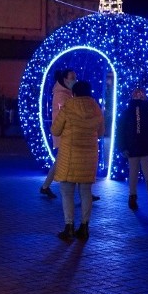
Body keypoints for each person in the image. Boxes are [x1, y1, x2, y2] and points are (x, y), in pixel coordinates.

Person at [51, 80, 104, 241]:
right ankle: (84, 228)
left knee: (67, 193)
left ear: (74, 93)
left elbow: (55, 129)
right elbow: (101, 133)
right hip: (88, 158)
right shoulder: (96, 109)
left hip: (69, 157)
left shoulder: (68, 107)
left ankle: (69, 228)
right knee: (86, 192)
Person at [40, 69, 101, 201]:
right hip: (66, 133)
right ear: (65, 79)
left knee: (62, 162)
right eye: (72, 77)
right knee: (74, 162)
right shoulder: (62, 95)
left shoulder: (66, 93)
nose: (75, 80)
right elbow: (66, 116)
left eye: (75, 77)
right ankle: (85, 194)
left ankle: (45, 187)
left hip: (68, 133)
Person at [116, 88, 148, 213]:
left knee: (133, 174)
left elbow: (120, 131)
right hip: (146, 147)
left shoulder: (127, 112)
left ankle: (133, 198)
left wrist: (122, 147)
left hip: (133, 148)